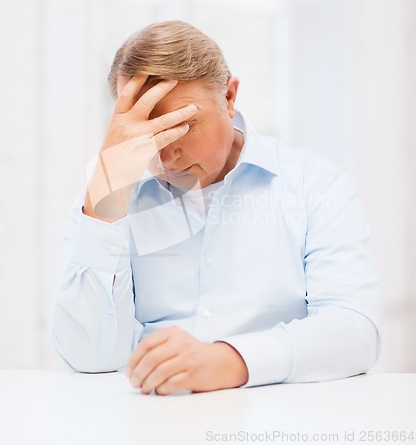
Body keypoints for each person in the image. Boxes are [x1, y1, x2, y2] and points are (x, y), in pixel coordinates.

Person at [52, 20, 381, 395]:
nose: (166, 154)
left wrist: (229, 361)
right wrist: (105, 198)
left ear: (228, 97)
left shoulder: (316, 186)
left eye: (183, 125)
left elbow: (355, 331)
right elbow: (88, 357)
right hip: (150, 419)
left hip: (279, 415)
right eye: (147, 131)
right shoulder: (107, 198)